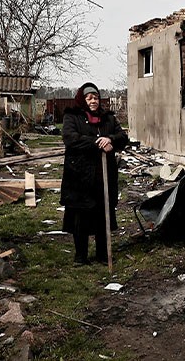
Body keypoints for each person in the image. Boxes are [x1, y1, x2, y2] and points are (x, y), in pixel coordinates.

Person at [60, 83, 129, 265]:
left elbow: (123, 138)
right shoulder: (72, 116)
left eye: (96, 97)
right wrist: (97, 142)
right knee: (80, 216)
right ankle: (80, 256)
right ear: (83, 99)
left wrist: (111, 138)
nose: (93, 101)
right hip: (79, 176)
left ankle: (101, 254)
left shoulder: (108, 118)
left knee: (102, 213)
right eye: (89, 98)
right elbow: (71, 139)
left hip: (103, 175)